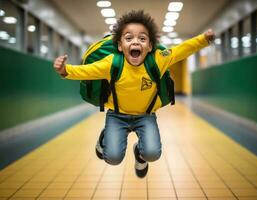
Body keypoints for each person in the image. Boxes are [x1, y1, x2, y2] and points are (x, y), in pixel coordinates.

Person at [53, 10, 215, 178]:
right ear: (120, 45)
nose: (135, 42)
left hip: (145, 116)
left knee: (152, 153)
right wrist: (65, 70)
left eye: (142, 38)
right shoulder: (112, 63)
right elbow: (87, 71)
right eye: (128, 38)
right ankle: (104, 138)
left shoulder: (158, 60)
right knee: (112, 158)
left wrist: (204, 40)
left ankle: (139, 153)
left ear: (150, 46)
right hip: (117, 116)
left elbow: (181, 50)